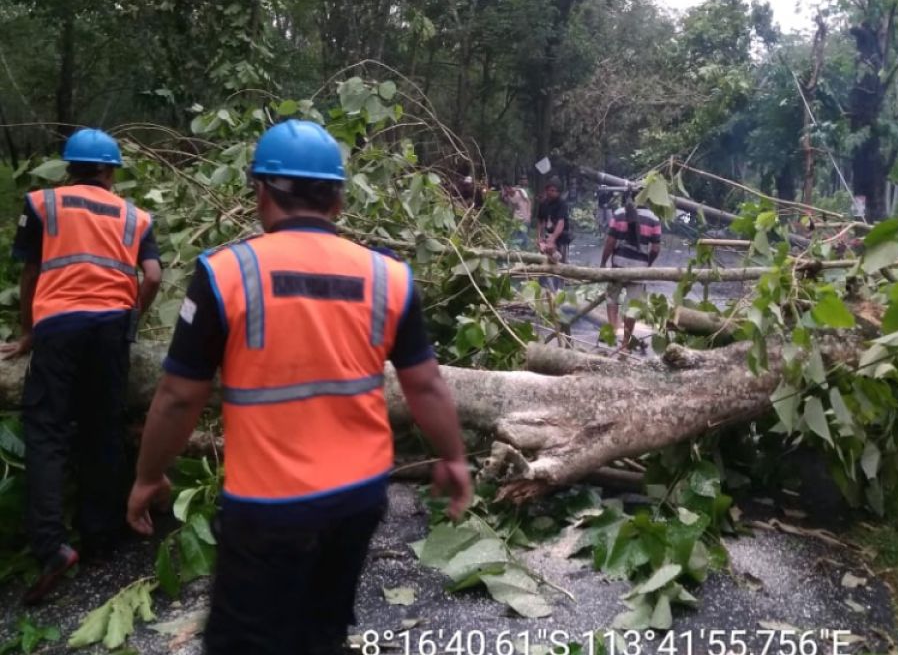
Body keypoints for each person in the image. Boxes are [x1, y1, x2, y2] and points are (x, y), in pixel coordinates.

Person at [126, 120, 472, 655]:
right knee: (321, 633)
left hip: (268, 506)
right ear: (337, 199)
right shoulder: (390, 277)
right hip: (358, 499)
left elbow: (179, 396)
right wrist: (453, 456)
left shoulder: (224, 274)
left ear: (262, 192)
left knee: (242, 642)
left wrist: (150, 474)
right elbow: (425, 384)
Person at [0, 129, 162, 605]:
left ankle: (51, 545)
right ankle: (101, 540)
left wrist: (28, 332)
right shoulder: (136, 216)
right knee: (102, 428)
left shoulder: (43, 204)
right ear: (110, 171)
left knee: (46, 429)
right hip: (111, 329)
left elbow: (30, 273)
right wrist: (130, 315)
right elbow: (152, 276)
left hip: (58, 327)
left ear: (68, 166)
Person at [600, 190, 662, 352]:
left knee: (612, 299)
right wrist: (647, 264)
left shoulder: (619, 213)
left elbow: (610, 242)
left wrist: (603, 262)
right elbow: (655, 248)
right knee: (632, 307)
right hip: (639, 269)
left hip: (618, 266)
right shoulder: (654, 219)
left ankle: (613, 333)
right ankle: (625, 344)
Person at [536, 177, 571, 264]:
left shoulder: (562, 204)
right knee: (546, 256)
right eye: (548, 190)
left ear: (558, 192)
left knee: (560, 261)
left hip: (561, 236)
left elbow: (561, 223)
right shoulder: (543, 204)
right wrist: (539, 237)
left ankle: (563, 270)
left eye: (553, 190)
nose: (550, 192)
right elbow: (540, 222)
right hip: (549, 234)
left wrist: (553, 239)